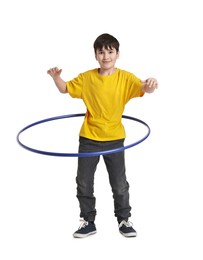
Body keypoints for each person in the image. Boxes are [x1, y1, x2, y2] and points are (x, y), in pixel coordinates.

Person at [47, 33, 158, 238]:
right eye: (101, 52)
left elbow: (144, 88)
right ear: (95, 55)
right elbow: (65, 89)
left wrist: (150, 85)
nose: (106, 56)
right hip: (89, 138)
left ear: (117, 54)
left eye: (110, 52)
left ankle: (124, 220)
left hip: (115, 138)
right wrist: (56, 77)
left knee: (119, 182)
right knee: (83, 181)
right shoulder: (87, 78)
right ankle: (88, 221)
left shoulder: (125, 78)